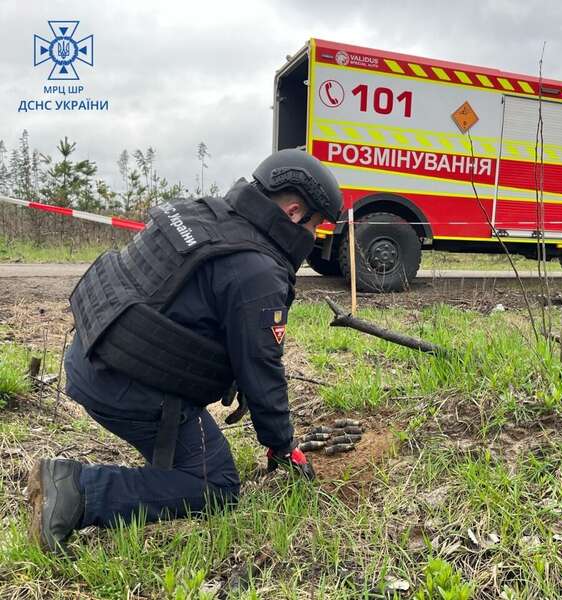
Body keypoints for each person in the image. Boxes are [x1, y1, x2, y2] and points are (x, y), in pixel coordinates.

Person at [27, 149, 343, 553]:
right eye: (315, 226)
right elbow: (262, 369)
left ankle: (153, 476)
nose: (314, 237)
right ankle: (77, 490)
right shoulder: (258, 270)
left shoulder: (200, 212)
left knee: (192, 459)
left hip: (92, 352)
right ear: (295, 213)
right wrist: (282, 446)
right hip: (123, 381)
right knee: (216, 484)